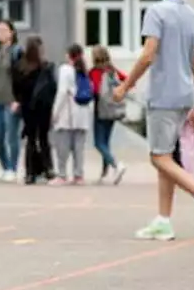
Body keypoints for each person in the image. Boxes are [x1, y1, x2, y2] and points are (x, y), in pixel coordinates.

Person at [112, 0, 194, 241]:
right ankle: (163, 220)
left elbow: (149, 54)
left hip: (163, 94)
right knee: (167, 156)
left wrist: (126, 86)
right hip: (186, 95)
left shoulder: (156, 12)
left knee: (158, 157)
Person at [12, 36, 54, 184]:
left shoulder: (20, 67)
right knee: (43, 138)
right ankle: (48, 168)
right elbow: (52, 87)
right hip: (43, 107)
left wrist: (19, 100)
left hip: (27, 107)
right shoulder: (46, 67)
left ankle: (30, 172)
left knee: (30, 139)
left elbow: (16, 87)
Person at [0, 20, 23, 182]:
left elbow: (22, 77)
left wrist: (18, 99)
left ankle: (13, 168)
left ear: (11, 32)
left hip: (11, 99)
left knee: (12, 135)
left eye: (3, 30)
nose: (0, 33)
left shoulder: (17, 52)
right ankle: (4, 166)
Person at [51, 43, 92, 185]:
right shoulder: (84, 70)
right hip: (82, 115)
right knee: (79, 148)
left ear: (68, 55)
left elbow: (62, 92)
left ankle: (62, 175)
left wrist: (55, 112)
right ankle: (78, 175)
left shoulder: (65, 69)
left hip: (67, 115)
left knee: (62, 146)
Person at [89, 46, 127, 184]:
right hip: (113, 111)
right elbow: (127, 80)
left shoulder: (95, 72)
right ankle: (104, 174)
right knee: (106, 142)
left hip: (101, 111)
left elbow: (93, 90)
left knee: (99, 143)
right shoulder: (112, 71)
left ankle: (116, 165)